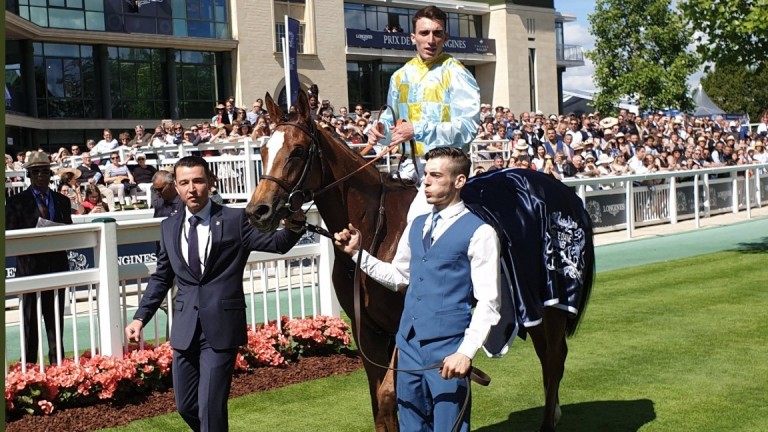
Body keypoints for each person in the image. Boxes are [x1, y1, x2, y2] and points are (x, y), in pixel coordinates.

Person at [124, 156, 305, 432]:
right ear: (177, 186)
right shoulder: (168, 226)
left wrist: (294, 226)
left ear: (210, 183)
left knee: (210, 406)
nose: (191, 188)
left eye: (197, 181)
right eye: (184, 183)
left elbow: (277, 243)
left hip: (221, 329)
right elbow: (162, 277)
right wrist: (140, 318)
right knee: (186, 406)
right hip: (184, 329)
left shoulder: (235, 219)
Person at [333, 148, 501, 432]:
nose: (426, 182)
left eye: (436, 176)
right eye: (426, 175)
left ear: (459, 181)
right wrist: (358, 254)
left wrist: (466, 352)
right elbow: (399, 276)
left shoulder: (480, 232)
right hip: (407, 348)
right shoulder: (417, 224)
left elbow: (489, 301)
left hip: (448, 350)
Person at [367, 6, 480, 221]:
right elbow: (392, 126)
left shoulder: (456, 73)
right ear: (413, 37)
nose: (431, 40)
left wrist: (417, 130)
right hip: (408, 167)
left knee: (414, 219)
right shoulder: (399, 76)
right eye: (424, 33)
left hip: (446, 166)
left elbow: (468, 129)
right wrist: (379, 131)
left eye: (437, 33)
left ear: (445, 37)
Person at [6, 151, 73, 365]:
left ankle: (58, 367)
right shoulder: (16, 202)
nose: (41, 176)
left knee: (55, 321)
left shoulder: (62, 200)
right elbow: (9, 233)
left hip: (56, 267)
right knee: (29, 322)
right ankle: (29, 369)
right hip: (29, 268)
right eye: (36, 172)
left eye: (45, 171)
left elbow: (68, 230)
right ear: (29, 175)